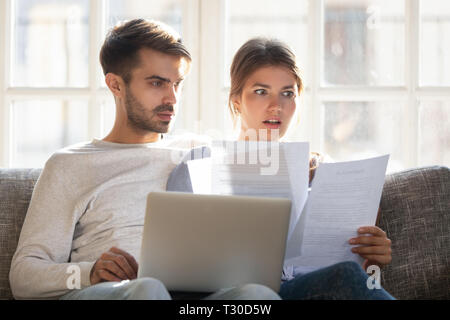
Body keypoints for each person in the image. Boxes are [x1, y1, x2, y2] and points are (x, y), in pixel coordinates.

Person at [8, 19, 280, 301]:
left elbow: (258, 160)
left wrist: (307, 163)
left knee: (257, 295)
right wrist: (90, 272)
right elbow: (24, 276)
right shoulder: (70, 165)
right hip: (113, 293)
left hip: (193, 297)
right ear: (115, 85)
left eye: (177, 84)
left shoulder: (199, 151)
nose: (172, 98)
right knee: (148, 289)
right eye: (157, 83)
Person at [167, 38, 394, 300]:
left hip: (311, 291)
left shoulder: (323, 170)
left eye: (288, 93)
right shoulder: (200, 163)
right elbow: (174, 265)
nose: (277, 105)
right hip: (234, 297)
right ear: (236, 100)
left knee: (349, 277)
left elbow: (360, 275)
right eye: (261, 92)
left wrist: (373, 259)